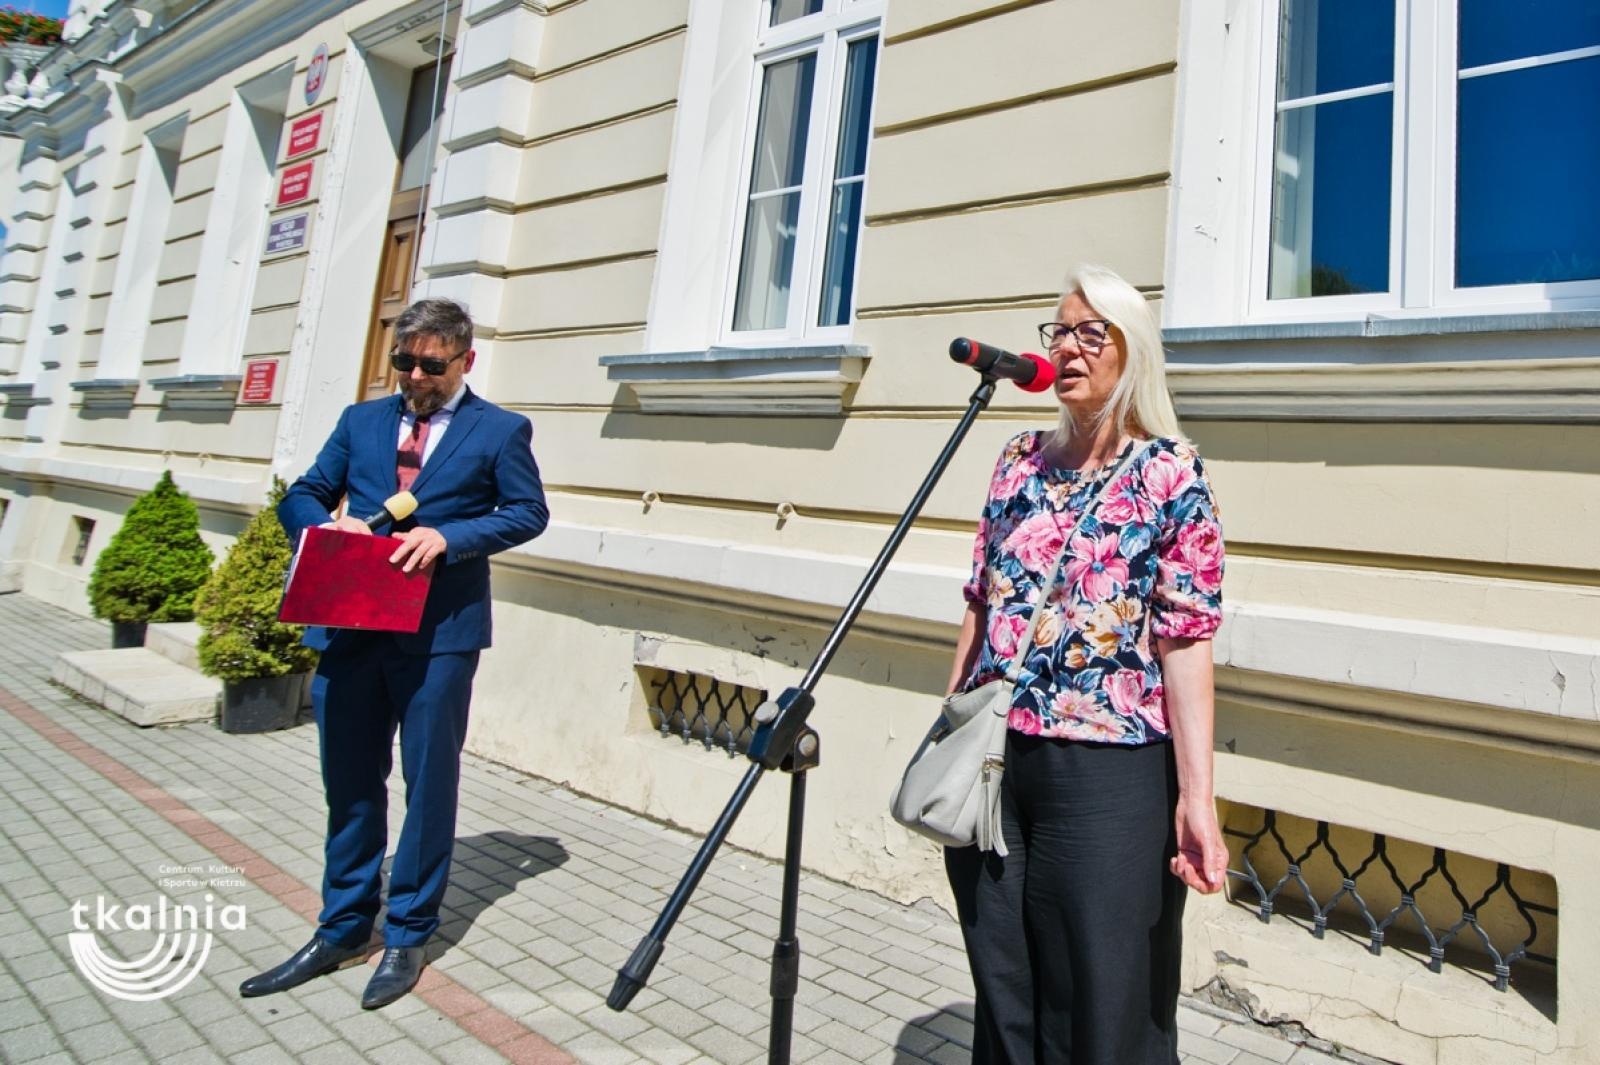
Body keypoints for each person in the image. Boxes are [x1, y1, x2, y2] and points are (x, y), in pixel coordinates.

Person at [943, 265, 1228, 1064]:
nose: (1066, 347)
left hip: (1110, 778)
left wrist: (1197, 796)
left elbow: (1186, 638)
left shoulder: (1169, 472)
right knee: (1005, 995)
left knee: (1101, 1005)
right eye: (1058, 331)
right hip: (998, 762)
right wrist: (950, 723)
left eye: (1088, 333)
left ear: (1130, 351)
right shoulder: (1017, 460)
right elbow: (981, 598)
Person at [240, 298, 549, 1009]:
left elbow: (527, 511)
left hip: (439, 636)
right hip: (350, 628)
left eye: (430, 365)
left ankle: (408, 932)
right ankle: (343, 925)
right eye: (403, 362)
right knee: (349, 782)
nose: (414, 375)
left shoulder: (499, 430)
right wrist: (325, 528)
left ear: (466, 361)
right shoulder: (362, 421)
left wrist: (451, 538)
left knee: (427, 783)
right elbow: (306, 492)